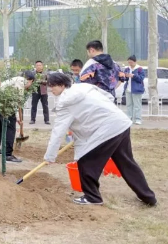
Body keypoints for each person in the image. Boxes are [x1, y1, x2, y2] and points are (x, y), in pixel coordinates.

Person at [43, 73, 156, 206]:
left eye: (53, 86)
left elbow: (58, 132)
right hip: (120, 123)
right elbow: (108, 97)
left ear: (62, 85)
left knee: (86, 160)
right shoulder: (83, 87)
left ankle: (92, 197)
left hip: (106, 131)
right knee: (126, 162)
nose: (51, 89)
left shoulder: (65, 102)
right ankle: (148, 197)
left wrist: (50, 156)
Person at [0, 72, 35, 163]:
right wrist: (18, 118)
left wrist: (17, 118)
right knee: (10, 128)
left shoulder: (15, 79)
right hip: (5, 104)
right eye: (31, 84)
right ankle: (8, 155)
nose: (28, 87)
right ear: (31, 81)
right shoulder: (21, 82)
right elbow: (17, 102)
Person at [120, 55, 145, 125]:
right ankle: (129, 118)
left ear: (135, 61)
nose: (130, 64)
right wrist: (124, 76)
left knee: (137, 105)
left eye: (131, 62)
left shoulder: (139, 69)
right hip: (128, 89)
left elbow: (141, 78)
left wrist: (133, 76)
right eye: (129, 62)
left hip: (137, 89)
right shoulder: (127, 69)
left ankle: (138, 119)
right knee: (129, 105)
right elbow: (125, 79)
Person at [30, 61, 50, 125]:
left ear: (42, 66)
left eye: (40, 65)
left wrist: (42, 81)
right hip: (35, 91)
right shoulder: (33, 74)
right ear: (35, 66)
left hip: (43, 91)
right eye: (37, 65)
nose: (38, 66)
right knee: (34, 106)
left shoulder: (45, 73)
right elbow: (30, 81)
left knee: (45, 106)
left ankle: (47, 120)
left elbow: (49, 82)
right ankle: (32, 119)